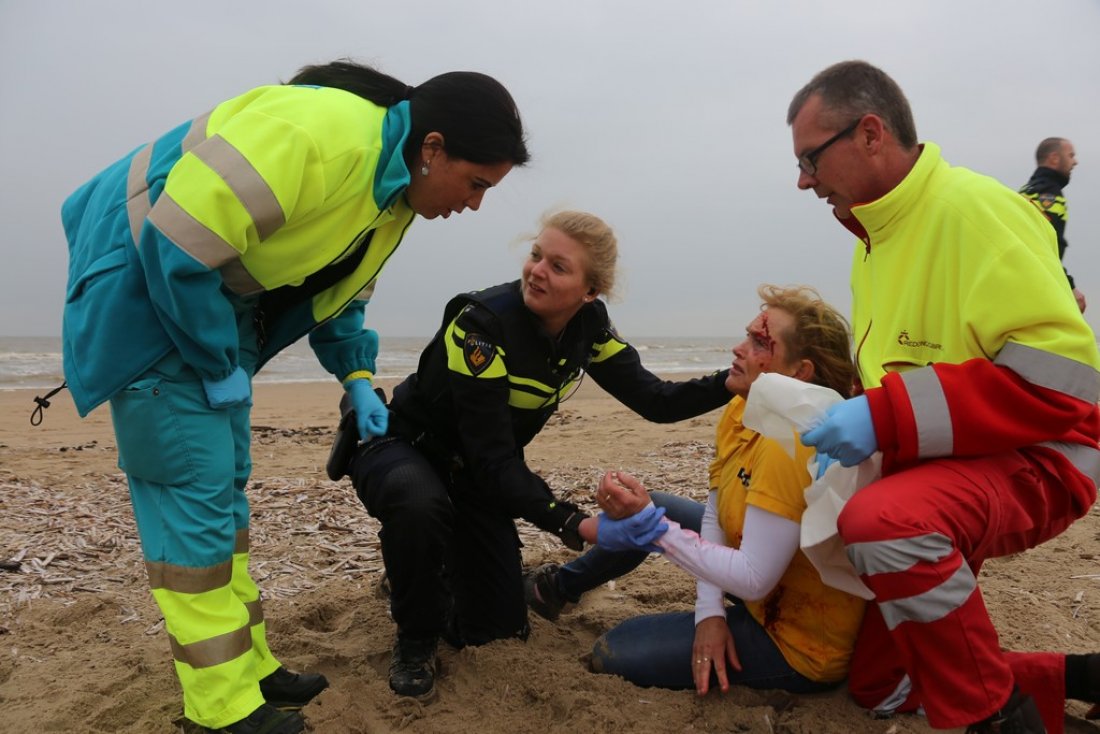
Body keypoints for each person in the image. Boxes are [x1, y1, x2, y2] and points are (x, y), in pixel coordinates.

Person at [59, 59, 528, 734]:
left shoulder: (393, 195)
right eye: (476, 182)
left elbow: (337, 292)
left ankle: (248, 668)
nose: (475, 202)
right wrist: (217, 358)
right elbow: (175, 241)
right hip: (150, 314)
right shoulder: (321, 134)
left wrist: (357, 379)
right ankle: (220, 711)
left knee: (225, 497)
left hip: (213, 326)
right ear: (434, 150)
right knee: (193, 508)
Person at [787, 60, 1100, 734]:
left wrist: (882, 414)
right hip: (947, 459)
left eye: (812, 158)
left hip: (1041, 454)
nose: (804, 180)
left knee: (886, 524)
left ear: (870, 133)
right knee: (880, 685)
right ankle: (1080, 679)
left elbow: (1065, 379)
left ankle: (993, 720)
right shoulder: (875, 241)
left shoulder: (975, 209)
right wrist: (859, 415)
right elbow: (894, 367)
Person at [329, 210, 733, 702]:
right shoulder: (480, 325)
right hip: (404, 448)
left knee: (494, 630)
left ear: (590, 291)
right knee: (419, 505)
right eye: (537, 255)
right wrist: (581, 524)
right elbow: (496, 460)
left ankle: (427, 570)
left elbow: (656, 401)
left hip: (476, 475)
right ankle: (414, 639)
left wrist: (731, 384)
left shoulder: (590, 329)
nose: (537, 270)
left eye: (558, 267)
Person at [527, 285, 867, 697]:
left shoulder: (791, 442)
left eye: (760, 343)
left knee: (613, 651)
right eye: (746, 335)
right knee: (663, 507)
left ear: (800, 373)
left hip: (797, 636)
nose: (738, 349)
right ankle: (557, 589)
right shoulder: (744, 407)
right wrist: (709, 614)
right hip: (762, 585)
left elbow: (754, 579)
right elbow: (715, 512)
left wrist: (652, 528)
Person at [1020, 137, 1086, 312]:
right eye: (1071, 155)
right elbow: (1043, 247)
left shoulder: (1026, 190)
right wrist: (1069, 286)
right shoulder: (1049, 194)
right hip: (1034, 287)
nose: (1075, 162)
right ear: (1055, 158)